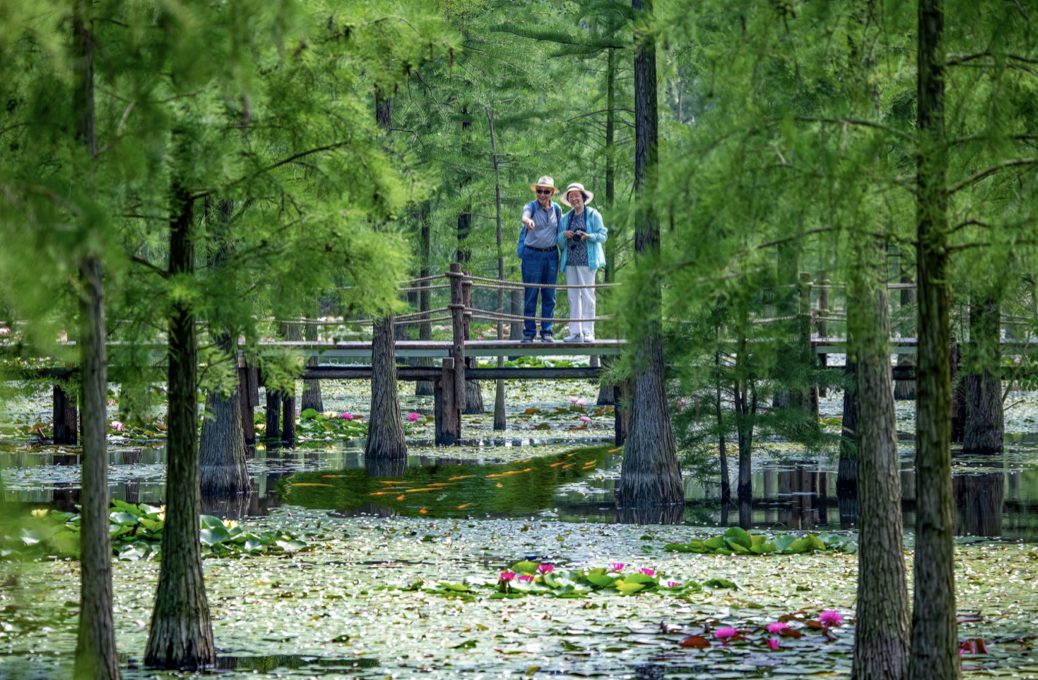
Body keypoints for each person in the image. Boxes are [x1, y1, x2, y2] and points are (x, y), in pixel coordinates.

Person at [557, 182, 607, 342]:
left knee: (588, 295)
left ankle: (588, 332)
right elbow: (559, 241)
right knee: (573, 296)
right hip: (570, 261)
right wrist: (564, 235)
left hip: (587, 260)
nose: (573, 199)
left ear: (583, 197)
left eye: (576, 195)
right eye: (570, 196)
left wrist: (589, 236)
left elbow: (603, 235)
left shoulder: (593, 215)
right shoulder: (566, 218)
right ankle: (575, 333)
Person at [517, 175, 563, 343]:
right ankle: (529, 333)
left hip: (551, 255)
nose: (542, 194)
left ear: (551, 192)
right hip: (532, 255)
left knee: (549, 295)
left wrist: (562, 258)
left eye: (545, 191)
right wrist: (527, 221)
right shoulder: (531, 206)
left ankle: (547, 332)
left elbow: (560, 232)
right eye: (539, 191)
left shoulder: (557, 209)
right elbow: (524, 216)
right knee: (531, 294)